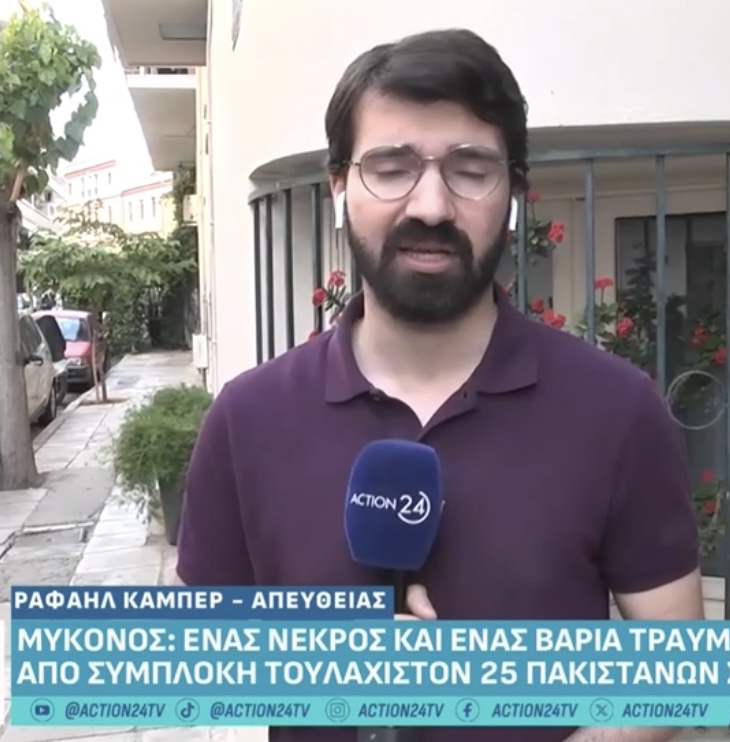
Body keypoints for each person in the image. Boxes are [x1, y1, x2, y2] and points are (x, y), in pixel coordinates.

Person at [177, 28, 703, 742]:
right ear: (339, 189)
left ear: (513, 194)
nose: (430, 206)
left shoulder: (615, 411)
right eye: (390, 167)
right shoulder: (247, 419)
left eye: (470, 168)